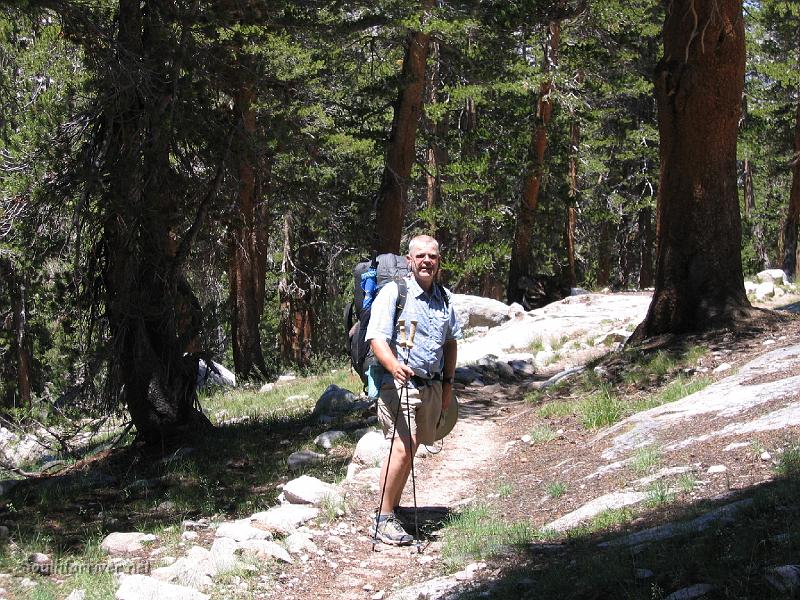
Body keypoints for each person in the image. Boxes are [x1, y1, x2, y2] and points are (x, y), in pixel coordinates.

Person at [365, 234, 462, 545]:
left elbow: (450, 342)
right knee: (403, 448)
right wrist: (394, 366)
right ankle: (382, 519)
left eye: (432, 256)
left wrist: (448, 383)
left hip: (432, 384)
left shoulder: (444, 298)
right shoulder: (395, 292)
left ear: (438, 262)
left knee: (413, 447)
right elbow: (377, 339)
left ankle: (392, 508)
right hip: (397, 383)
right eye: (420, 256)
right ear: (409, 261)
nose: (426, 261)